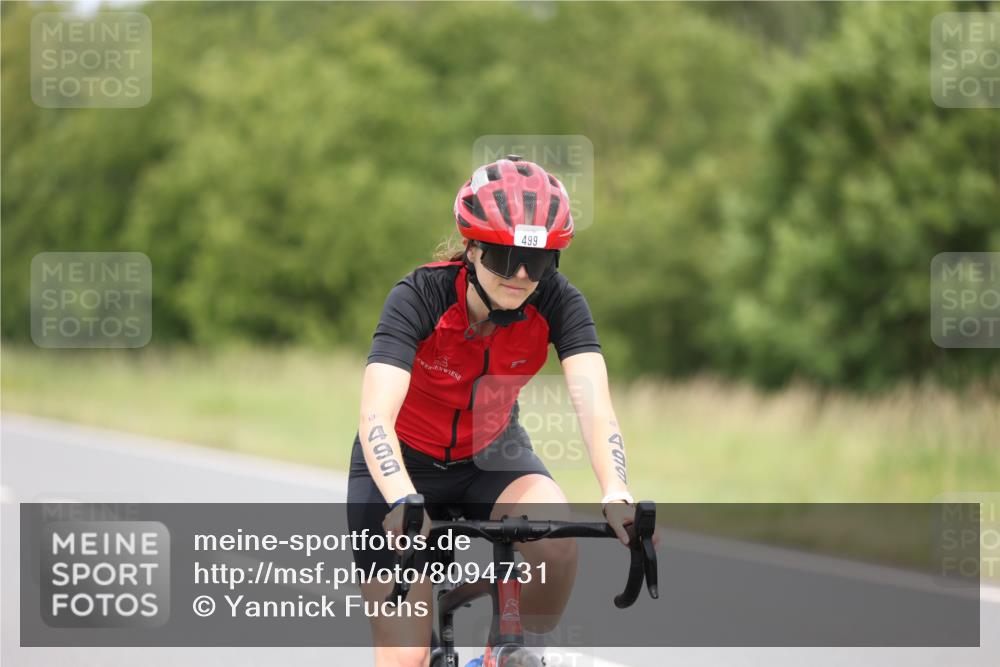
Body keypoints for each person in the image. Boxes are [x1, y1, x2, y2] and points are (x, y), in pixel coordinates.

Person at [348, 155, 644, 667]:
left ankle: (501, 656)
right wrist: (402, 498)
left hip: (492, 458)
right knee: (405, 657)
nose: (523, 275)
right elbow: (376, 415)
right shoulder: (418, 296)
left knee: (556, 547)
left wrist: (617, 491)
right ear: (472, 248)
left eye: (541, 260)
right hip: (400, 466)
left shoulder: (558, 301)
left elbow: (595, 407)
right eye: (506, 259)